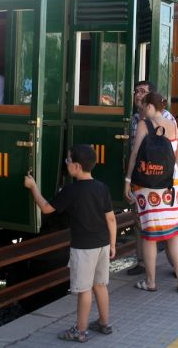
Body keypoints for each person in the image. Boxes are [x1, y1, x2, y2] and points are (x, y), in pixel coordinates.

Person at [23, 145, 117, 342]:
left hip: (83, 248)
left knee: (84, 291)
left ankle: (80, 332)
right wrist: (113, 244)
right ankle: (104, 323)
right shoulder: (102, 187)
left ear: (76, 166)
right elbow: (111, 219)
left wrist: (33, 187)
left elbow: (47, 208)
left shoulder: (71, 190)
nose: (65, 164)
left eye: (67, 161)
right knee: (100, 285)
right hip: (102, 244)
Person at [124, 92, 178, 292]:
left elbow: (135, 154)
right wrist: (170, 171)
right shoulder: (173, 125)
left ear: (151, 106)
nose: (142, 111)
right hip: (171, 182)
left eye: (144, 106)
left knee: (149, 234)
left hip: (147, 183)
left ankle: (151, 282)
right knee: (174, 233)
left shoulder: (144, 124)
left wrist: (128, 180)